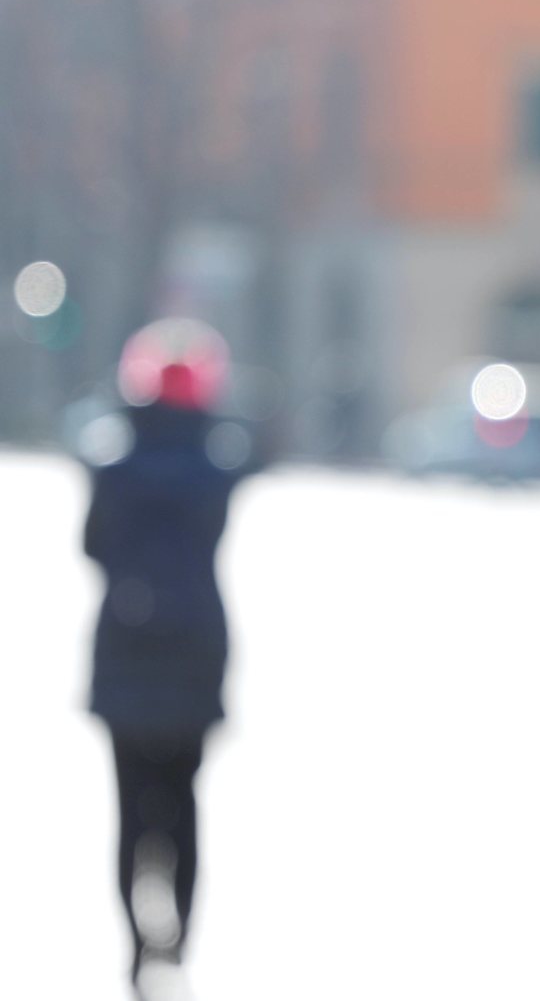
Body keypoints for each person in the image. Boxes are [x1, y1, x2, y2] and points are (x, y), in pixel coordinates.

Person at [84, 323, 240, 995]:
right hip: (197, 652)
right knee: (184, 802)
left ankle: (134, 945)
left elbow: (92, 546)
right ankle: (178, 938)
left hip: (126, 650)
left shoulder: (113, 463)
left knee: (131, 807)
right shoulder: (215, 465)